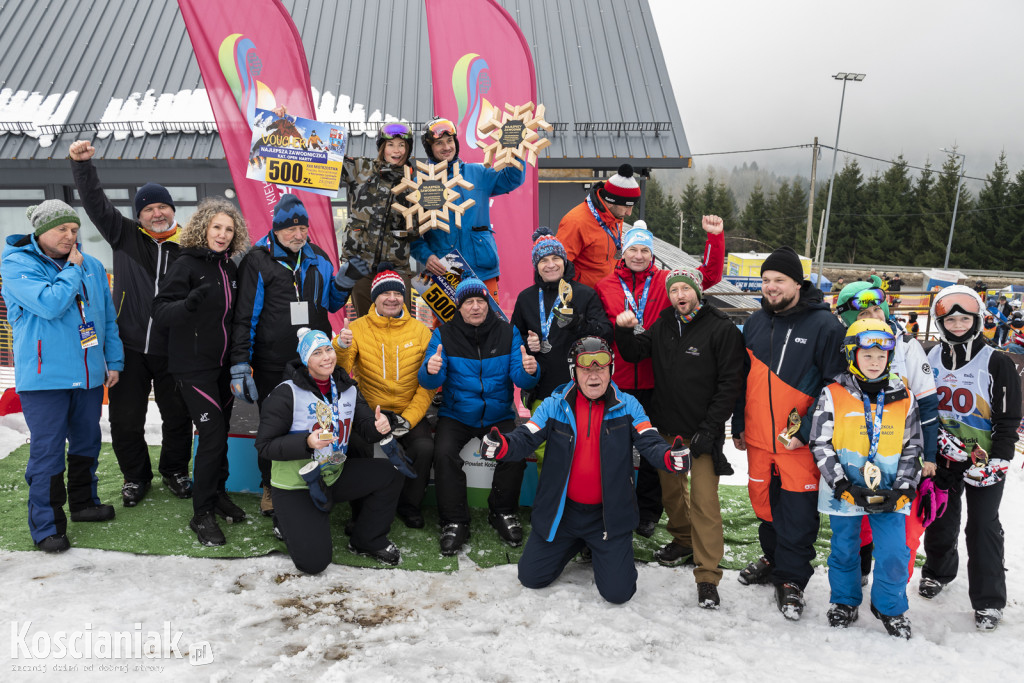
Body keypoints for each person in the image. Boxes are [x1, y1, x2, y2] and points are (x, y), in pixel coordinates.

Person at [479, 337, 690, 603]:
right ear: (573, 372)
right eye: (585, 369)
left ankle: (596, 545)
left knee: (618, 594)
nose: (594, 375)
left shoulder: (628, 406)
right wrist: (503, 446)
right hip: (563, 515)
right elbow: (526, 436)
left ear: (610, 370)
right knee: (531, 577)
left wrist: (670, 457)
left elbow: (649, 441)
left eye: (601, 368)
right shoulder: (554, 404)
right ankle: (577, 543)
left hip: (607, 519)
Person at [68, 140, 193, 507]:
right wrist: (82, 166)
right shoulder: (123, 235)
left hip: (174, 349)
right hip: (129, 347)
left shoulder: (190, 246)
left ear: (173, 210)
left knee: (177, 417)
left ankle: (174, 471)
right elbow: (95, 203)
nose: (157, 214)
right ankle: (135, 478)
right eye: (149, 208)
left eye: (163, 207)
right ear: (138, 215)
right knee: (125, 422)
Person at [614, 267, 745, 609]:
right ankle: (683, 540)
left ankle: (707, 575)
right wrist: (624, 330)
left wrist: (710, 429)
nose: (679, 296)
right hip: (666, 430)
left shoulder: (721, 329)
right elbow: (634, 353)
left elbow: (730, 384)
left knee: (704, 502)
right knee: (672, 493)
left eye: (685, 289)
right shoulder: (664, 324)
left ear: (698, 292)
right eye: (674, 291)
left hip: (702, 432)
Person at [230, 194, 366, 517]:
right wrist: (240, 364)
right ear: (276, 229)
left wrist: (344, 283)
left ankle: (318, 478)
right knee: (274, 428)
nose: (298, 235)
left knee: (316, 423)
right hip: (272, 363)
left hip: (315, 363)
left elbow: (330, 304)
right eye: (291, 229)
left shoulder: (318, 258)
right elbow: (245, 316)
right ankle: (271, 487)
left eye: (303, 228)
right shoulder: (258, 260)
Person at [731, 245, 847, 620]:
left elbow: (836, 385)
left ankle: (793, 579)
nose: (771, 287)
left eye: (779, 280)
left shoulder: (825, 325)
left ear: (798, 282)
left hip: (799, 441)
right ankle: (774, 558)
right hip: (759, 439)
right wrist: (738, 423)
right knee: (765, 506)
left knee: (797, 512)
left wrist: (811, 429)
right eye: (766, 281)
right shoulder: (756, 322)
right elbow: (740, 378)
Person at [1, 201, 124, 552]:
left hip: (87, 376)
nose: (71, 236)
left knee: (87, 443)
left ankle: (84, 504)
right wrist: (72, 270)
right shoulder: (17, 264)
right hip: (44, 380)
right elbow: (50, 304)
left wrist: (111, 362)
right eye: (62, 230)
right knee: (48, 451)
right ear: (40, 232)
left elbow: (107, 319)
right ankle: (47, 526)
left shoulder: (94, 266)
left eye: (74, 229)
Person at [594, 218, 725, 539]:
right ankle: (613, 507)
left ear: (652, 254)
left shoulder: (668, 281)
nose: (639, 255)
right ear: (622, 253)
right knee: (616, 449)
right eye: (633, 249)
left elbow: (708, 277)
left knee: (654, 449)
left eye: (644, 250)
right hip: (619, 381)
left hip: (658, 382)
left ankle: (649, 512)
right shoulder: (606, 286)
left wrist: (715, 238)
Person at [255, 327, 408, 572]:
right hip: (297, 484)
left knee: (391, 472)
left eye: (329, 349)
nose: (327, 357)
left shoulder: (346, 386)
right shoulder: (286, 393)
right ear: (306, 360)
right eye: (317, 353)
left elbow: (366, 428)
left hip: (333, 475)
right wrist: (306, 442)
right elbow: (264, 446)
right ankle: (285, 519)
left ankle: (367, 540)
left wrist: (381, 424)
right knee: (314, 564)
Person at [810, 318, 922, 638]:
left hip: (891, 491)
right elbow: (820, 442)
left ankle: (889, 605)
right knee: (845, 548)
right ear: (852, 356)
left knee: (893, 551)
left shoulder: (904, 396)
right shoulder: (832, 393)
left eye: (881, 356)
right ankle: (844, 600)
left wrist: (903, 487)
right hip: (846, 489)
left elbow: (913, 444)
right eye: (867, 355)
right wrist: (841, 484)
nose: (874, 362)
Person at [920, 285, 1021, 632]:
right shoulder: (929, 357)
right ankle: (938, 571)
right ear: (940, 322)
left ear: (977, 320)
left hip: (984, 459)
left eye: (965, 318)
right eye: (951, 319)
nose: (958, 324)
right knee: (939, 518)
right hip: (943, 456)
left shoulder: (997, 361)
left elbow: (1008, 419)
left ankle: (989, 599)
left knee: (983, 525)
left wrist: (1000, 459)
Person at [417, 277, 540, 555]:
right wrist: (431, 369)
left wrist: (530, 371)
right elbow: (427, 380)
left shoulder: (508, 333)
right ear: (459, 307)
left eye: (481, 301)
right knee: (444, 452)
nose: (475, 307)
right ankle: (455, 520)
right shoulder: (444, 334)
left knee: (514, 452)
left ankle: (502, 512)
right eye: (469, 302)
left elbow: (521, 378)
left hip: (498, 413)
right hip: (457, 413)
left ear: (488, 304)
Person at [153, 197, 250, 546]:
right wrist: (186, 305)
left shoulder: (230, 268)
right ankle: (202, 514)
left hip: (223, 367)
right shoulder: (186, 264)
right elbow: (160, 311)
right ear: (203, 228)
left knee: (220, 434)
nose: (223, 234)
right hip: (192, 368)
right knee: (211, 434)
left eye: (228, 229)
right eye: (216, 227)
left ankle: (217, 493)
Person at [835, 277, 938, 581]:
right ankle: (861, 570)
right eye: (863, 316)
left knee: (899, 524)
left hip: (899, 448)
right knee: (859, 517)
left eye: (877, 310)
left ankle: (891, 591)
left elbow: (928, 406)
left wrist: (928, 455)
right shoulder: (846, 346)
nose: (874, 317)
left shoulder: (907, 347)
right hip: (856, 445)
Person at [333, 264, 435, 528]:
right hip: (370, 411)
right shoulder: (356, 329)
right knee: (358, 446)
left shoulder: (421, 332)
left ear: (404, 296)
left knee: (424, 447)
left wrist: (409, 420)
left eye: (397, 293)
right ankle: (363, 505)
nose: (392, 298)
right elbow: (342, 376)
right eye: (385, 293)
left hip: (406, 410)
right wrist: (340, 347)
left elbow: (428, 386)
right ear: (374, 296)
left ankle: (409, 505)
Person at [409, 118, 525, 299]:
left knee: (488, 323)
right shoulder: (419, 185)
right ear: (429, 148)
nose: (446, 147)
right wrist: (426, 256)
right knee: (447, 327)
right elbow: (412, 234)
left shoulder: (478, 173)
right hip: (445, 272)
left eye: (450, 141)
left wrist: (514, 148)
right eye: (439, 143)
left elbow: (511, 179)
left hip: (482, 269)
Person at [510, 227, 611, 419]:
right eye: (543, 260)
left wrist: (578, 324)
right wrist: (527, 342)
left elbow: (606, 334)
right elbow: (512, 337)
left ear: (564, 261)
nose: (550, 265)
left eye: (556, 258)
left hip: (580, 387)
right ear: (536, 266)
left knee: (578, 444)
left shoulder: (585, 294)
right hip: (541, 389)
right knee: (542, 445)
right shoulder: (526, 298)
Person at [341, 121, 419, 315]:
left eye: (402, 145)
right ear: (382, 148)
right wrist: (285, 124)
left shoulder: (416, 182)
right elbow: (319, 159)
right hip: (360, 265)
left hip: (396, 267)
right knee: (363, 324)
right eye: (391, 145)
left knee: (401, 323)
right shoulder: (361, 169)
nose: (397, 150)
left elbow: (419, 228)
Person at [556, 164, 642, 288]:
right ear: (611, 202)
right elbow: (558, 263)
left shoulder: (615, 216)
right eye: (627, 206)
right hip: (584, 297)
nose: (629, 213)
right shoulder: (576, 221)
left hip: (608, 292)